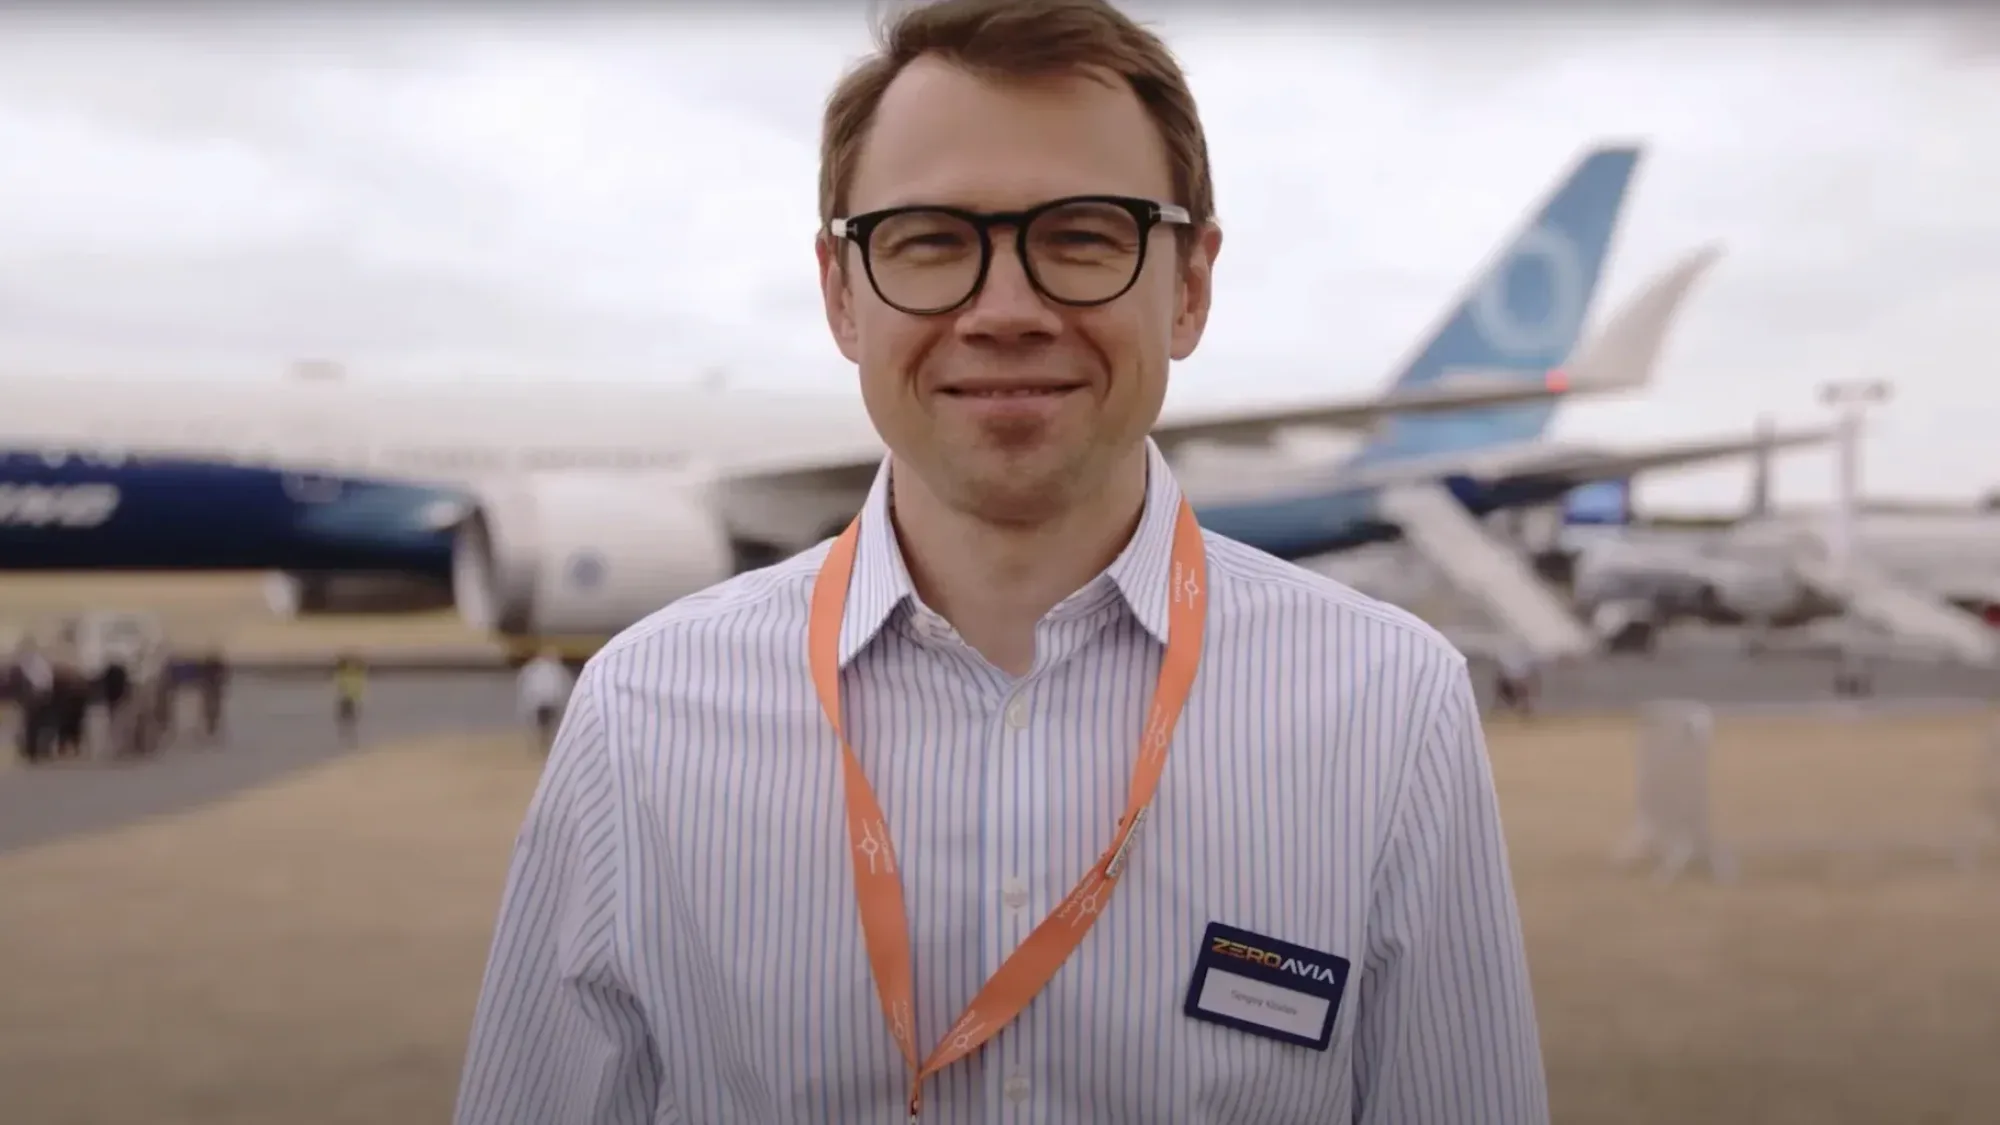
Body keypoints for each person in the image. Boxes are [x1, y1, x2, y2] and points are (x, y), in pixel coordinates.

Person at [454, 2, 1548, 1122]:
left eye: (1082, 236)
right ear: (840, 294)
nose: (1006, 309)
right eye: (929, 241)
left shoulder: (1388, 705)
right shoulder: (639, 716)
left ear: (1189, 287)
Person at [512, 649, 574, 749]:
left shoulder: (538, 668)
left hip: (547, 701)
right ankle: (546, 741)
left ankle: (546, 741)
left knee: (548, 724)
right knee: (546, 724)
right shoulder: (544, 668)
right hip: (545, 701)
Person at [332, 654, 366, 743]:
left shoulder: (346, 674)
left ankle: (346, 736)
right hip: (351, 697)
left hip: (347, 697)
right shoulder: (356, 674)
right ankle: (349, 736)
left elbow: (341, 684)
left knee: (346, 718)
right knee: (349, 719)